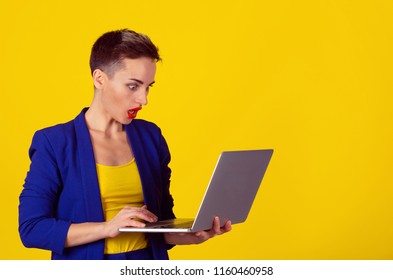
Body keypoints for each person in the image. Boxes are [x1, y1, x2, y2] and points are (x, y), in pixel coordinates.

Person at [18, 29, 231, 260]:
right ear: (100, 79)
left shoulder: (151, 137)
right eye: (133, 86)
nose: (144, 99)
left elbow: (158, 225)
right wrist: (107, 227)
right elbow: (32, 229)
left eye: (149, 86)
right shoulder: (54, 143)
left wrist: (188, 235)